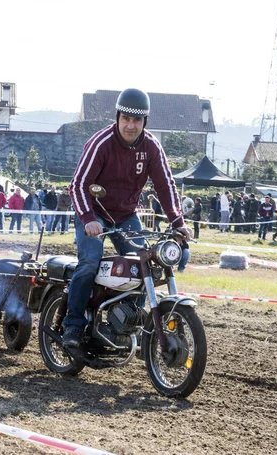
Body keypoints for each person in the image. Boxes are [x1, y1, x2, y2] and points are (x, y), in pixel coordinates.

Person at [63, 88, 191, 348]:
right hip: (95, 214)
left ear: (145, 122)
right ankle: (73, 326)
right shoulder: (101, 143)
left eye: (137, 120)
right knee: (89, 262)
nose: (131, 125)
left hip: (126, 215)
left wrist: (178, 222)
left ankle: (122, 323)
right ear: (118, 117)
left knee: (144, 266)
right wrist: (88, 218)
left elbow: (165, 186)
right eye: (126, 119)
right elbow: (78, 185)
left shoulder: (151, 147)